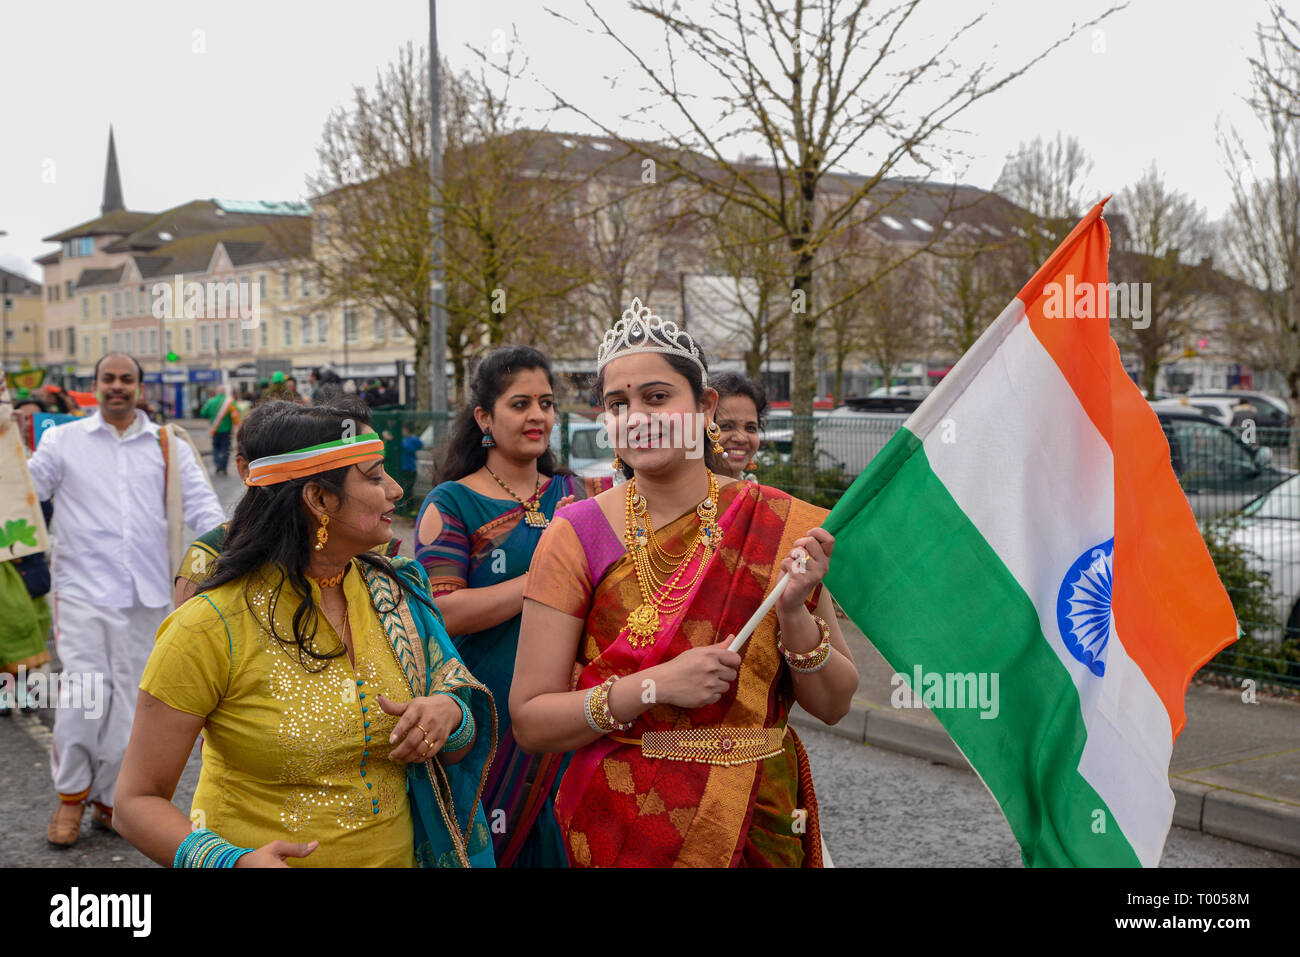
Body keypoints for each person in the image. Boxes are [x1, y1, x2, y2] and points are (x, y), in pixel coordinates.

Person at [510, 299, 859, 867]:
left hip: (763, 812)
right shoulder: (577, 533)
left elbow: (836, 704)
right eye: (617, 404)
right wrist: (654, 687)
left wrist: (795, 616)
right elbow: (531, 720)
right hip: (623, 823)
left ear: (705, 407)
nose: (638, 417)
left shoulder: (778, 526)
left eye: (656, 397)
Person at [114, 405, 497, 867]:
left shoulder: (397, 591)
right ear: (319, 498)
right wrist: (230, 863)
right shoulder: (208, 626)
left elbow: (460, 722)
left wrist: (448, 714)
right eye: (374, 477)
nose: (395, 490)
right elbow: (135, 803)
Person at [415, 345, 612, 868]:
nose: (537, 417)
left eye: (546, 404)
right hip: (488, 713)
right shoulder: (451, 503)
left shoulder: (579, 495)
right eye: (520, 404)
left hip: (571, 710)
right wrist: (543, 577)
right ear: (484, 417)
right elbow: (443, 612)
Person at [25, 353, 226, 847]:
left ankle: (111, 800)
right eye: (108, 379)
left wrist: (236, 554)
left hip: (150, 596)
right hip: (82, 594)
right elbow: (23, 491)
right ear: (95, 386)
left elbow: (205, 510)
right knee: (84, 694)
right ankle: (71, 798)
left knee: (133, 704)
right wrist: (7, 441)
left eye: (126, 380)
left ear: (140, 387)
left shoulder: (168, 446)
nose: (117, 387)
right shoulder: (62, 440)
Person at [709, 371, 768, 482]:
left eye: (750, 428)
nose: (741, 439)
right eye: (726, 426)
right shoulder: (680, 496)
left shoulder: (759, 496)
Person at [199, 384, 240, 476]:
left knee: (215, 447)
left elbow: (203, 413)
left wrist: (211, 415)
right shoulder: (230, 402)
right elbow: (237, 413)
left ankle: (217, 463)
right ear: (225, 392)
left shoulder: (211, 401)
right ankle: (224, 466)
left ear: (217, 392)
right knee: (225, 448)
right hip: (227, 430)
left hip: (215, 430)